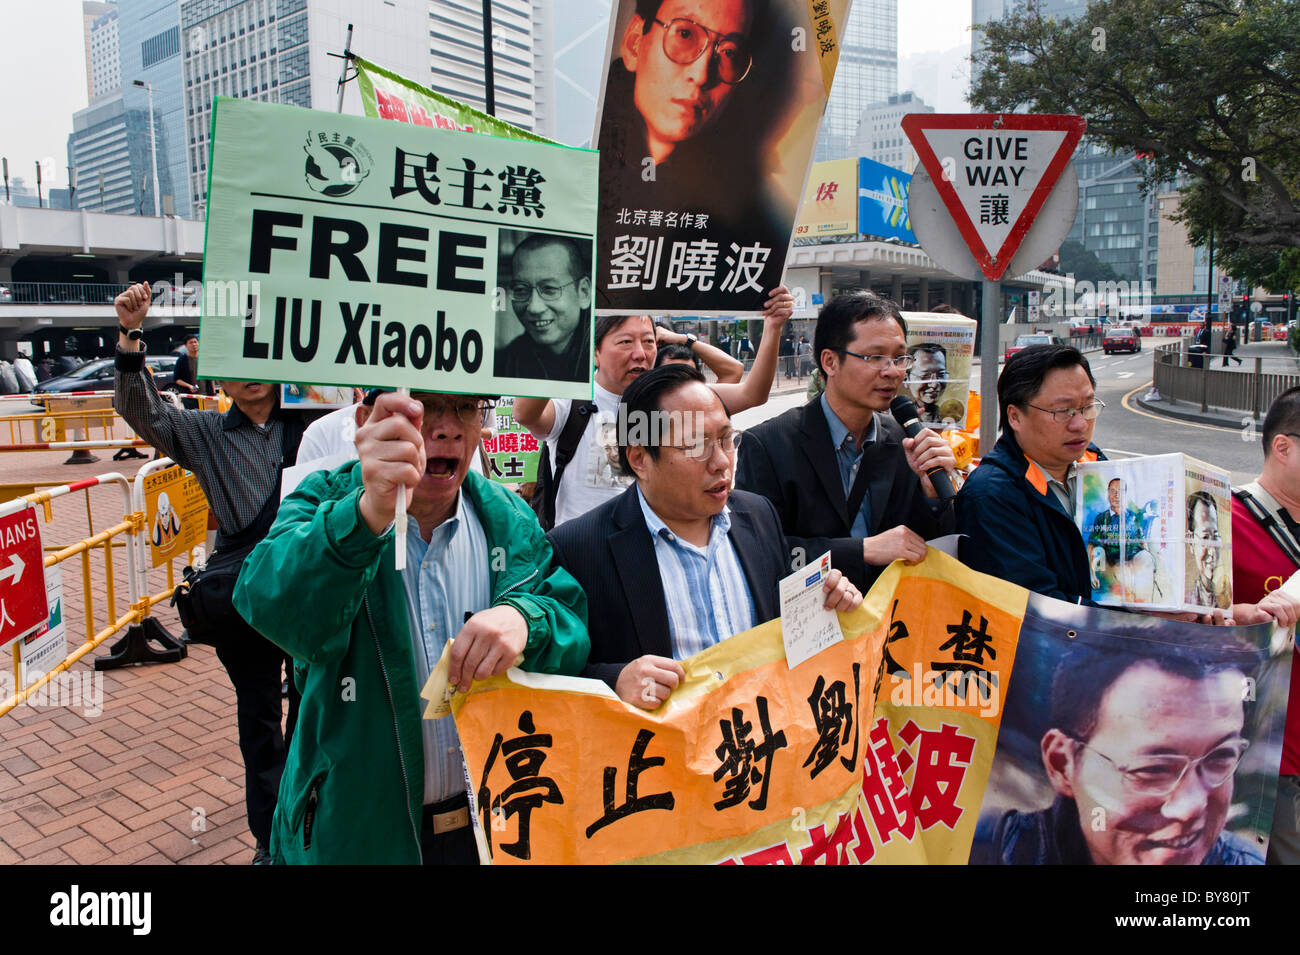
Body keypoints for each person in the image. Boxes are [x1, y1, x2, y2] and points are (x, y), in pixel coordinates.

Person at [233, 391, 590, 864]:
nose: (446, 428)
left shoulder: (509, 518)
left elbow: (569, 624)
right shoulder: (323, 498)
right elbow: (276, 608)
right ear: (366, 421)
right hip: (363, 833)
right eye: (420, 408)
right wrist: (365, 518)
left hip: (496, 825)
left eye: (465, 408)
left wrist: (527, 620)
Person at [113, 281, 303, 864]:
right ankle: (271, 841)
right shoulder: (205, 434)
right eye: (236, 360)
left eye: (260, 356)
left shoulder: (320, 422)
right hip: (244, 600)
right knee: (260, 726)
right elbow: (140, 411)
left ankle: (311, 828)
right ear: (218, 372)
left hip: (310, 592)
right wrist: (131, 333)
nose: (250, 373)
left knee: (316, 710)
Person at [547, 364, 860, 707]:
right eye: (696, 445)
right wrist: (614, 682)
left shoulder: (758, 516)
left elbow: (781, 627)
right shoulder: (579, 549)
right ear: (639, 458)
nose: (722, 462)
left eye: (727, 439)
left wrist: (824, 605)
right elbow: (549, 676)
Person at [515, 285, 793, 528]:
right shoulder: (572, 402)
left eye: (648, 341)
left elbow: (752, 393)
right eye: (625, 342)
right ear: (595, 352)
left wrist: (773, 327)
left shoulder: (671, 399)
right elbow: (525, 413)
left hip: (648, 554)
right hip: (579, 561)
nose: (641, 353)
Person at [736, 291, 957, 594]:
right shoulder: (768, 444)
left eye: (899, 357)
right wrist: (859, 550)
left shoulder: (903, 441)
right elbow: (760, 552)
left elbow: (924, 545)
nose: (892, 371)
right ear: (830, 362)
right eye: (875, 357)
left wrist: (932, 498)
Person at [972, 644, 1265, 865]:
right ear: (1063, 763)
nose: (1190, 808)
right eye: (1153, 769)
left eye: (1220, 758)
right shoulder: (989, 852)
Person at [597, 0, 789, 305]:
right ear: (635, 42)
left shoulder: (752, 224)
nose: (701, 75)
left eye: (728, 52)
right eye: (685, 34)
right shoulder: (580, 168)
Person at [956, 344, 1108, 604]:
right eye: (1063, 411)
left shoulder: (1095, 464)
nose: (1081, 424)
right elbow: (1036, 608)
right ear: (1014, 416)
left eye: (1087, 407)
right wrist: (1141, 621)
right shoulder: (991, 495)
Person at [1230, 386, 1300, 864]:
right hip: (1270, 759)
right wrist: (1238, 618)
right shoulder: (1222, 520)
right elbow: (1179, 631)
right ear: (1283, 446)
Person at [493, 235, 591, 383]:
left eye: (549, 289)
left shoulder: (606, 353)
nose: (534, 308)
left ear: (583, 292)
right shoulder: (505, 363)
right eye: (520, 290)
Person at [1087, 477, 1156, 602]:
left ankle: (1145, 603)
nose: (1116, 495)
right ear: (1108, 494)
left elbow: (1142, 541)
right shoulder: (1102, 518)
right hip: (1111, 563)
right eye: (1112, 491)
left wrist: (1148, 558)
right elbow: (1092, 546)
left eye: (1120, 491)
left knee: (1145, 557)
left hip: (1134, 561)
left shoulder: (1134, 517)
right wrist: (1091, 574)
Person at [653, 322, 743, 381]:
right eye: (669, 376)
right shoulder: (643, 399)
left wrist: (684, 339)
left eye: (689, 375)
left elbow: (734, 370)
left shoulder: (704, 402)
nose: (679, 385)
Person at [1187, 491, 1230, 610]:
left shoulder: (1226, 598)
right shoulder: (1187, 598)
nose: (1212, 552)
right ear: (1190, 541)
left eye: (1215, 537)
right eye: (1205, 538)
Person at [906, 342, 948, 426]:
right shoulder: (895, 419)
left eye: (941, 375)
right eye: (925, 376)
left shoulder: (948, 418)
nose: (934, 384)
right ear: (906, 379)